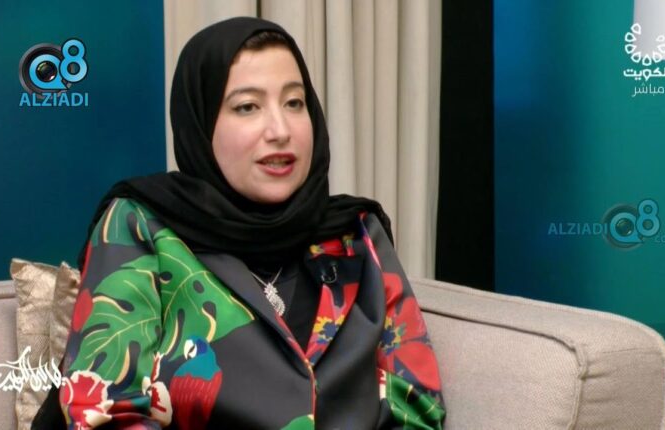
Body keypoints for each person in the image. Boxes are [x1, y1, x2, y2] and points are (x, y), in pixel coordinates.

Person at [49, 17, 445, 429]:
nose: (280, 130)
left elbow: (418, 407)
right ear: (201, 123)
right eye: (247, 107)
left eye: (294, 103)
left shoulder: (356, 234)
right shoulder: (139, 227)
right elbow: (106, 413)